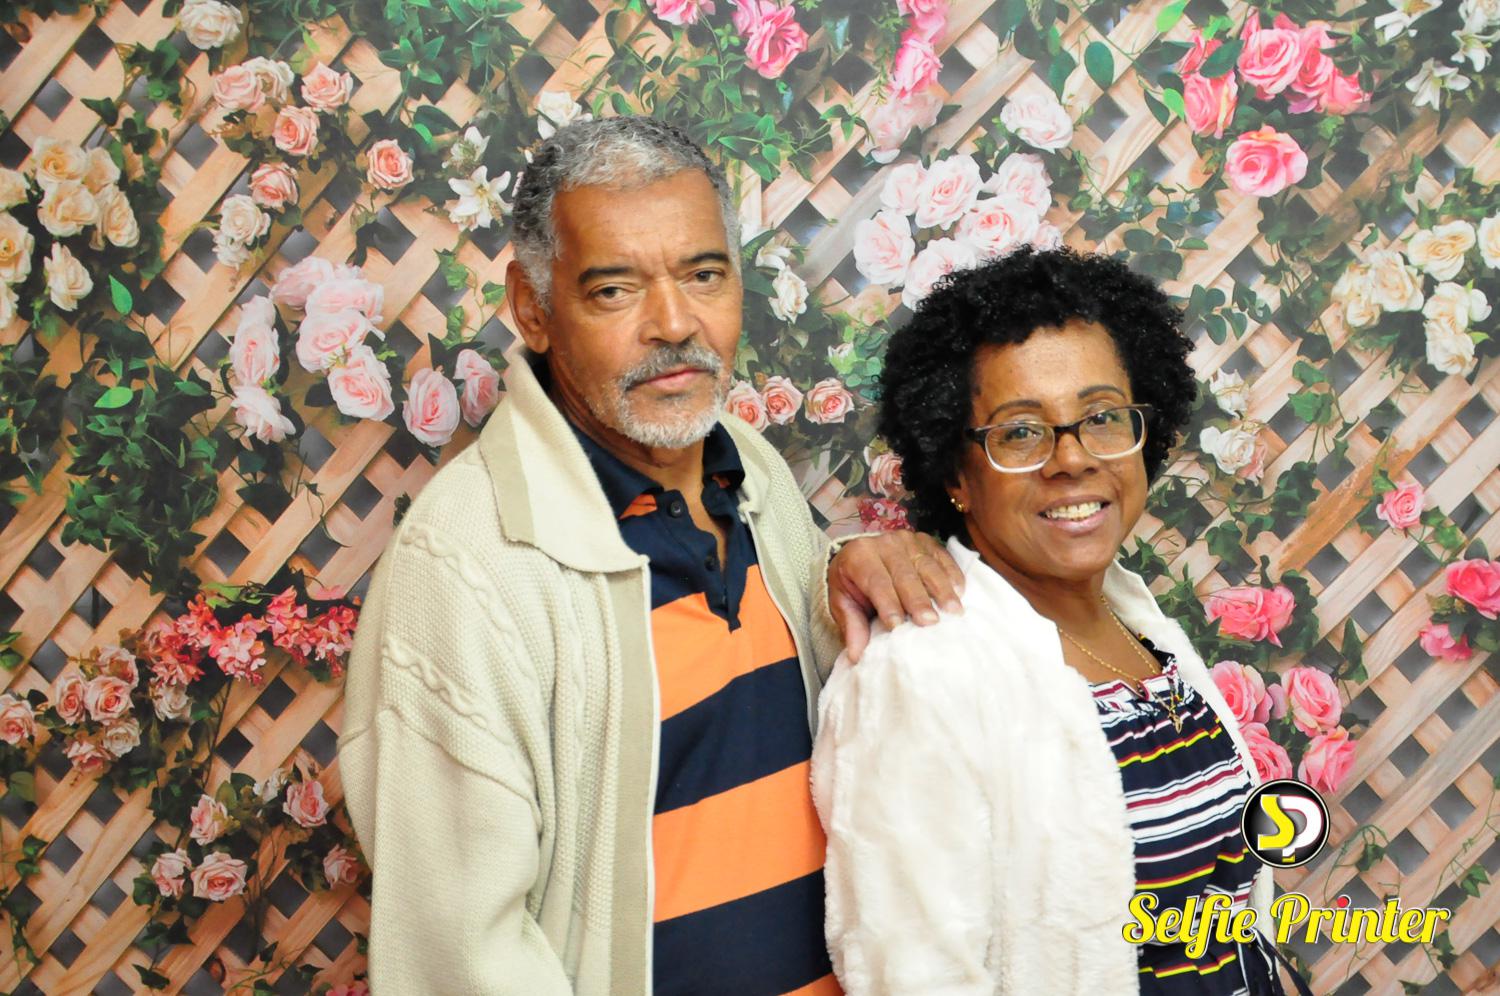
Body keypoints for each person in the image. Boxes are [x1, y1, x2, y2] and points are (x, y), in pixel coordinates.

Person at [338, 116, 962, 995]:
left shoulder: (749, 467)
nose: (674, 323)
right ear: (532, 307)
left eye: (704, 275)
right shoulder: (466, 567)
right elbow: (462, 954)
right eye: (614, 290)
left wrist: (843, 564)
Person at [811, 248, 1306, 995]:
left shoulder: (1141, 629)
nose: (1071, 459)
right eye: (1020, 432)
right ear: (956, 473)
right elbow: (912, 974)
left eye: (1101, 417)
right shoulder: (919, 674)